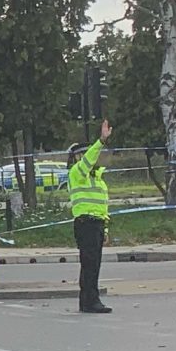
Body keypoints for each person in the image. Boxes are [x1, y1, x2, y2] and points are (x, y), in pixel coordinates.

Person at [67, 118, 113, 313]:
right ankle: (90, 301)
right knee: (89, 264)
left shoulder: (98, 180)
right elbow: (88, 161)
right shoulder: (76, 173)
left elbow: (103, 206)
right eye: (82, 155)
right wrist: (101, 141)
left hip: (97, 224)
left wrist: (106, 229)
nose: (87, 157)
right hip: (85, 222)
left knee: (94, 264)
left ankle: (88, 300)